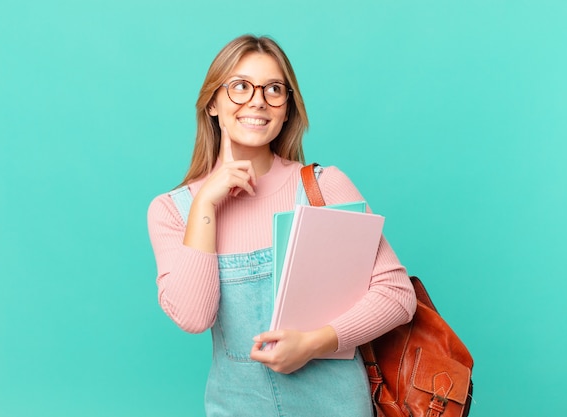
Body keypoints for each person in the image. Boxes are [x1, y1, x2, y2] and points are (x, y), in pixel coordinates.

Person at [147, 34, 417, 416]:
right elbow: (194, 317)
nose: (258, 99)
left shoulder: (324, 187)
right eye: (240, 87)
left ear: (287, 108)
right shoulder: (173, 211)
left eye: (274, 89)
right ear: (212, 102)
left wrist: (314, 343)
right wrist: (206, 202)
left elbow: (397, 295)